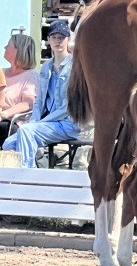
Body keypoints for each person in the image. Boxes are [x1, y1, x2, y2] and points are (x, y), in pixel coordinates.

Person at [3, 20, 80, 167]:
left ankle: (27, 179)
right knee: (8, 144)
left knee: (26, 132)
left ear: (68, 40)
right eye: (54, 37)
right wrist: (34, 121)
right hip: (47, 123)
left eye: (62, 37)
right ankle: (39, 169)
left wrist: (41, 123)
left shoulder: (75, 67)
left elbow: (68, 107)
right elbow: (38, 101)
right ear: (48, 40)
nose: (58, 41)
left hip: (67, 124)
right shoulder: (46, 67)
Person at [0, 34, 39, 145]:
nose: (5, 48)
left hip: (14, 122)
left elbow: (28, 104)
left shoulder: (30, 76)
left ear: (19, 50)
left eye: (8, 45)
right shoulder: (1, 72)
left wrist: (4, 114)